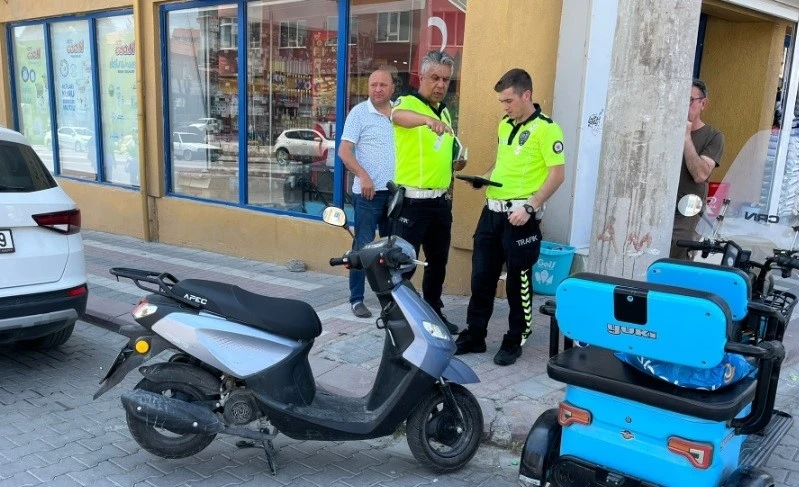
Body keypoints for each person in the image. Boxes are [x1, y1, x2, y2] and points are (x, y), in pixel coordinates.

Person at [455, 68, 565, 366]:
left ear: (526, 95)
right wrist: (484, 178)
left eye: (508, 101)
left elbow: (557, 175)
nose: (504, 107)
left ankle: (515, 338)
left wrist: (530, 207)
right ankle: (475, 334)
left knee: (519, 283)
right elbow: (501, 164)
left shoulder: (547, 129)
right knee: (481, 276)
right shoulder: (505, 125)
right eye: (502, 101)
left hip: (520, 216)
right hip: (492, 212)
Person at [390, 50, 466, 334]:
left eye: (445, 79)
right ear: (421, 77)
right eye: (435, 77)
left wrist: (456, 163)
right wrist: (425, 120)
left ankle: (434, 312)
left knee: (438, 263)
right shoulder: (407, 103)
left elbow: (437, 154)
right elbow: (397, 116)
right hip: (412, 203)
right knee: (403, 265)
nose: (440, 84)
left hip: (440, 202)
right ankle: (399, 320)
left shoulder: (443, 111)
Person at [338, 70, 397, 318]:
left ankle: (390, 299)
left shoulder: (400, 113)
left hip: (395, 194)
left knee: (391, 249)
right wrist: (363, 176)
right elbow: (344, 152)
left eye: (383, 84)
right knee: (363, 247)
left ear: (393, 88)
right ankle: (356, 299)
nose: (378, 89)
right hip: (368, 195)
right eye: (373, 85)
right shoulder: (359, 113)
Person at [670, 78, 724, 260]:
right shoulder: (665, 131)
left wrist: (686, 137)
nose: (684, 105)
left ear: (703, 103)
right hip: (658, 206)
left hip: (686, 211)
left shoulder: (713, 136)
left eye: (690, 100)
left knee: (678, 259)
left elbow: (700, 174)